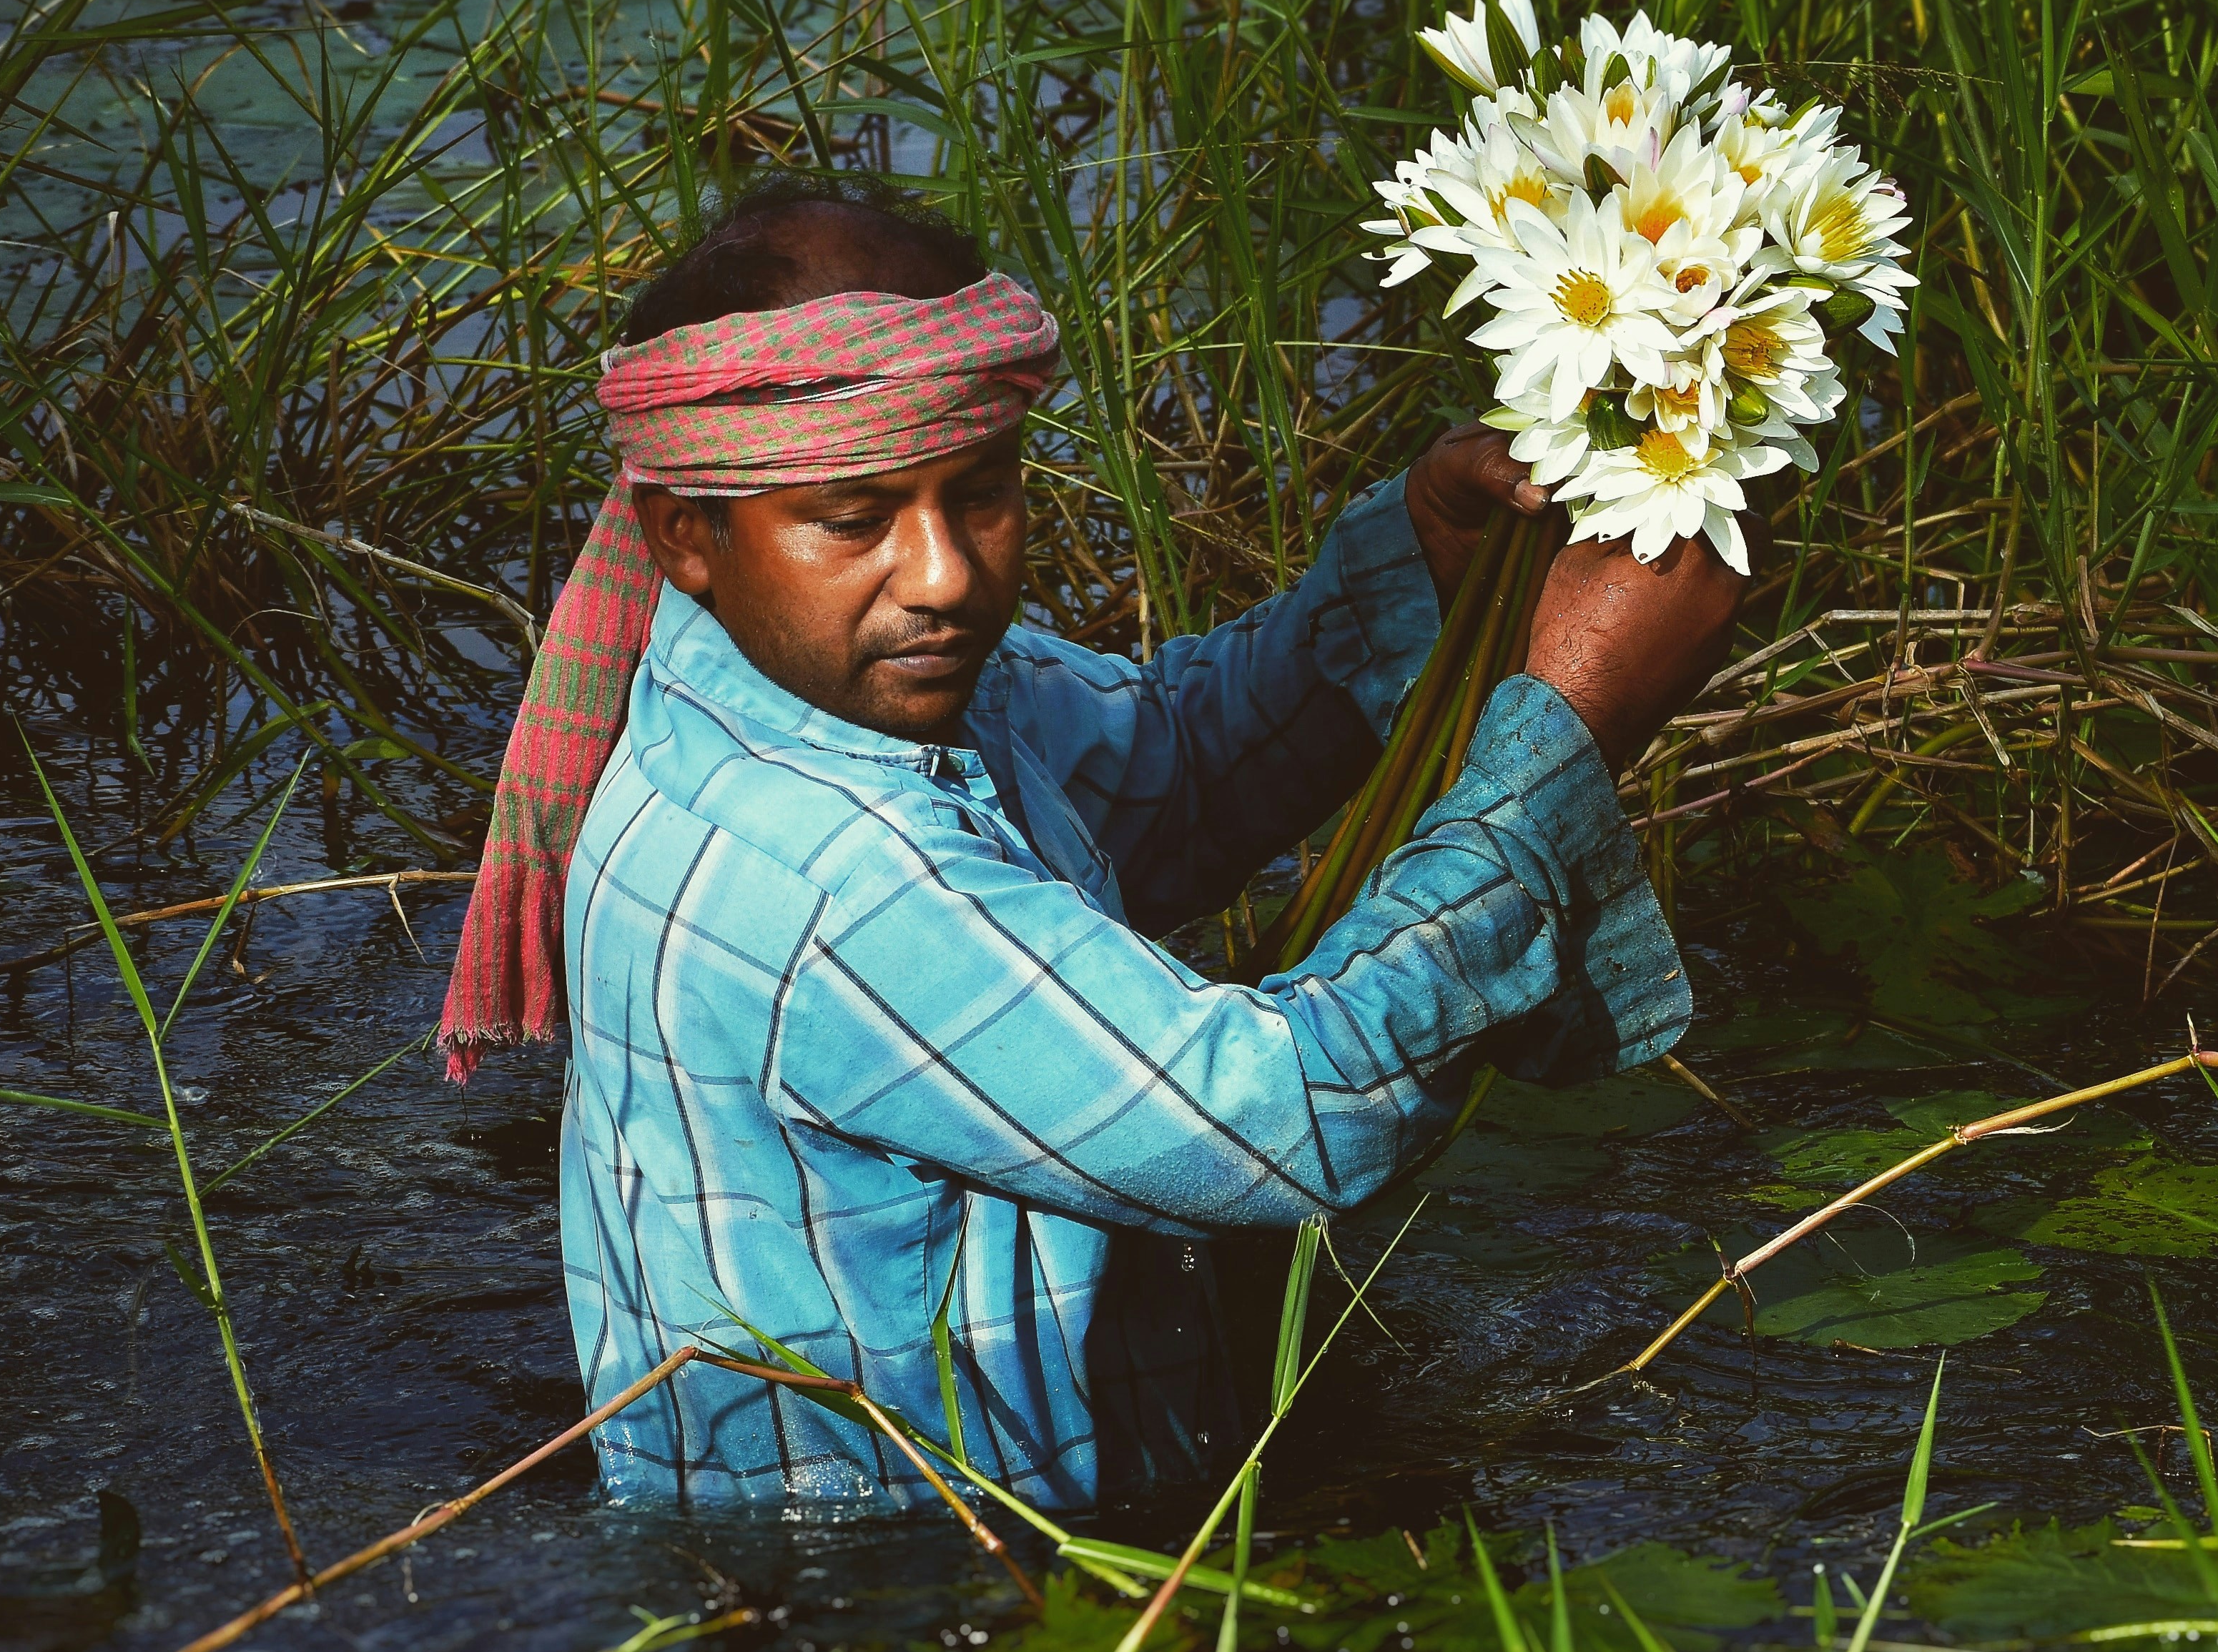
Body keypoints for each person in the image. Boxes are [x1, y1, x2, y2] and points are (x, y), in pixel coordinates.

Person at [440, 178, 1739, 1510]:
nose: (944, 574)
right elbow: (1283, 1119)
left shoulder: (833, 674)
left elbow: (1174, 775)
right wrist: (1567, 724)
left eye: (982, 493)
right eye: (854, 519)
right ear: (686, 535)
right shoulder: (830, 874)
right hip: (893, 1594)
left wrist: (1415, 566)